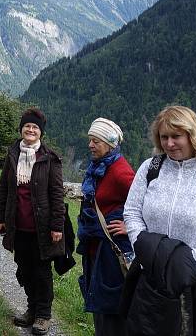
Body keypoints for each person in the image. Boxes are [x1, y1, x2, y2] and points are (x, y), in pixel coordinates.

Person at [122, 105, 196, 332]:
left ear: (192, 136)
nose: (169, 144)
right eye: (164, 137)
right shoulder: (150, 168)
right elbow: (132, 212)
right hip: (151, 277)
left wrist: (187, 266)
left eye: (176, 136)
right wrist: (146, 251)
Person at [0, 108, 65, 336]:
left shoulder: (50, 158)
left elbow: (56, 194)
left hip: (42, 228)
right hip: (18, 226)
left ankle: (43, 315)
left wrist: (57, 225)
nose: (31, 130)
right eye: (27, 126)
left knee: (41, 272)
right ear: (21, 129)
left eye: (35, 127)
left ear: (40, 132)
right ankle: (31, 310)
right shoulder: (12, 153)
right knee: (23, 269)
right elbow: (4, 186)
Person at [77, 118, 135, 336]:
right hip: (97, 248)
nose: (90, 145)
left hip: (111, 252)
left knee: (111, 305)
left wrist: (130, 225)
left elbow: (146, 203)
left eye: (96, 141)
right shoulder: (99, 167)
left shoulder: (120, 172)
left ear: (110, 144)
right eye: (90, 140)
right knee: (100, 303)